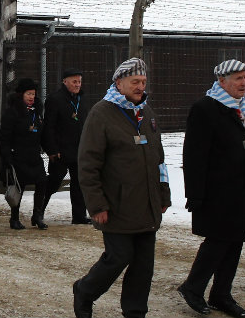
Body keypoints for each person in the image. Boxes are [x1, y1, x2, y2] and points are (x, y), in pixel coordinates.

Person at [72, 57, 171, 318]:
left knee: (143, 265)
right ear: (119, 82)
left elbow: (158, 158)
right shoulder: (101, 113)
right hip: (117, 205)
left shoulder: (146, 112)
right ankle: (85, 291)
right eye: (135, 81)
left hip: (148, 204)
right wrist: (96, 205)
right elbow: (88, 164)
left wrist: (163, 193)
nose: (141, 86)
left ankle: (135, 312)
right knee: (118, 258)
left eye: (143, 81)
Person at [176, 59, 245, 318]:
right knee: (218, 242)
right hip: (217, 190)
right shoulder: (206, 108)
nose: (244, 83)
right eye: (237, 78)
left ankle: (221, 294)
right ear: (222, 82)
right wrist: (195, 193)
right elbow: (194, 155)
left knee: (235, 242)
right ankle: (193, 288)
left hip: (241, 188)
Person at [41, 68, 91, 224]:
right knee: (54, 182)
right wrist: (52, 149)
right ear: (65, 81)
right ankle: (38, 210)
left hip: (79, 150)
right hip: (60, 151)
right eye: (74, 81)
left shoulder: (82, 99)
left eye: (80, 82)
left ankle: (79, 216)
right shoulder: (55, 99)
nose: (78, 85)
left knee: (79, 184)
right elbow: (48, 127)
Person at [0, 78, 49, 230]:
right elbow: (5, 137)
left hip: (34, 155)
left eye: (33, 94)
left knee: (42, 183)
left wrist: (51, 149)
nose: (31, 97)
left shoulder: (37, 112)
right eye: (28, 93)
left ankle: (37, 215)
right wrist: (7, 156)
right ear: (21, 94)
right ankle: (14, 218)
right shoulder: (12, 112)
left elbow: (43, 135)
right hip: (18, 155)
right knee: (18, 187)